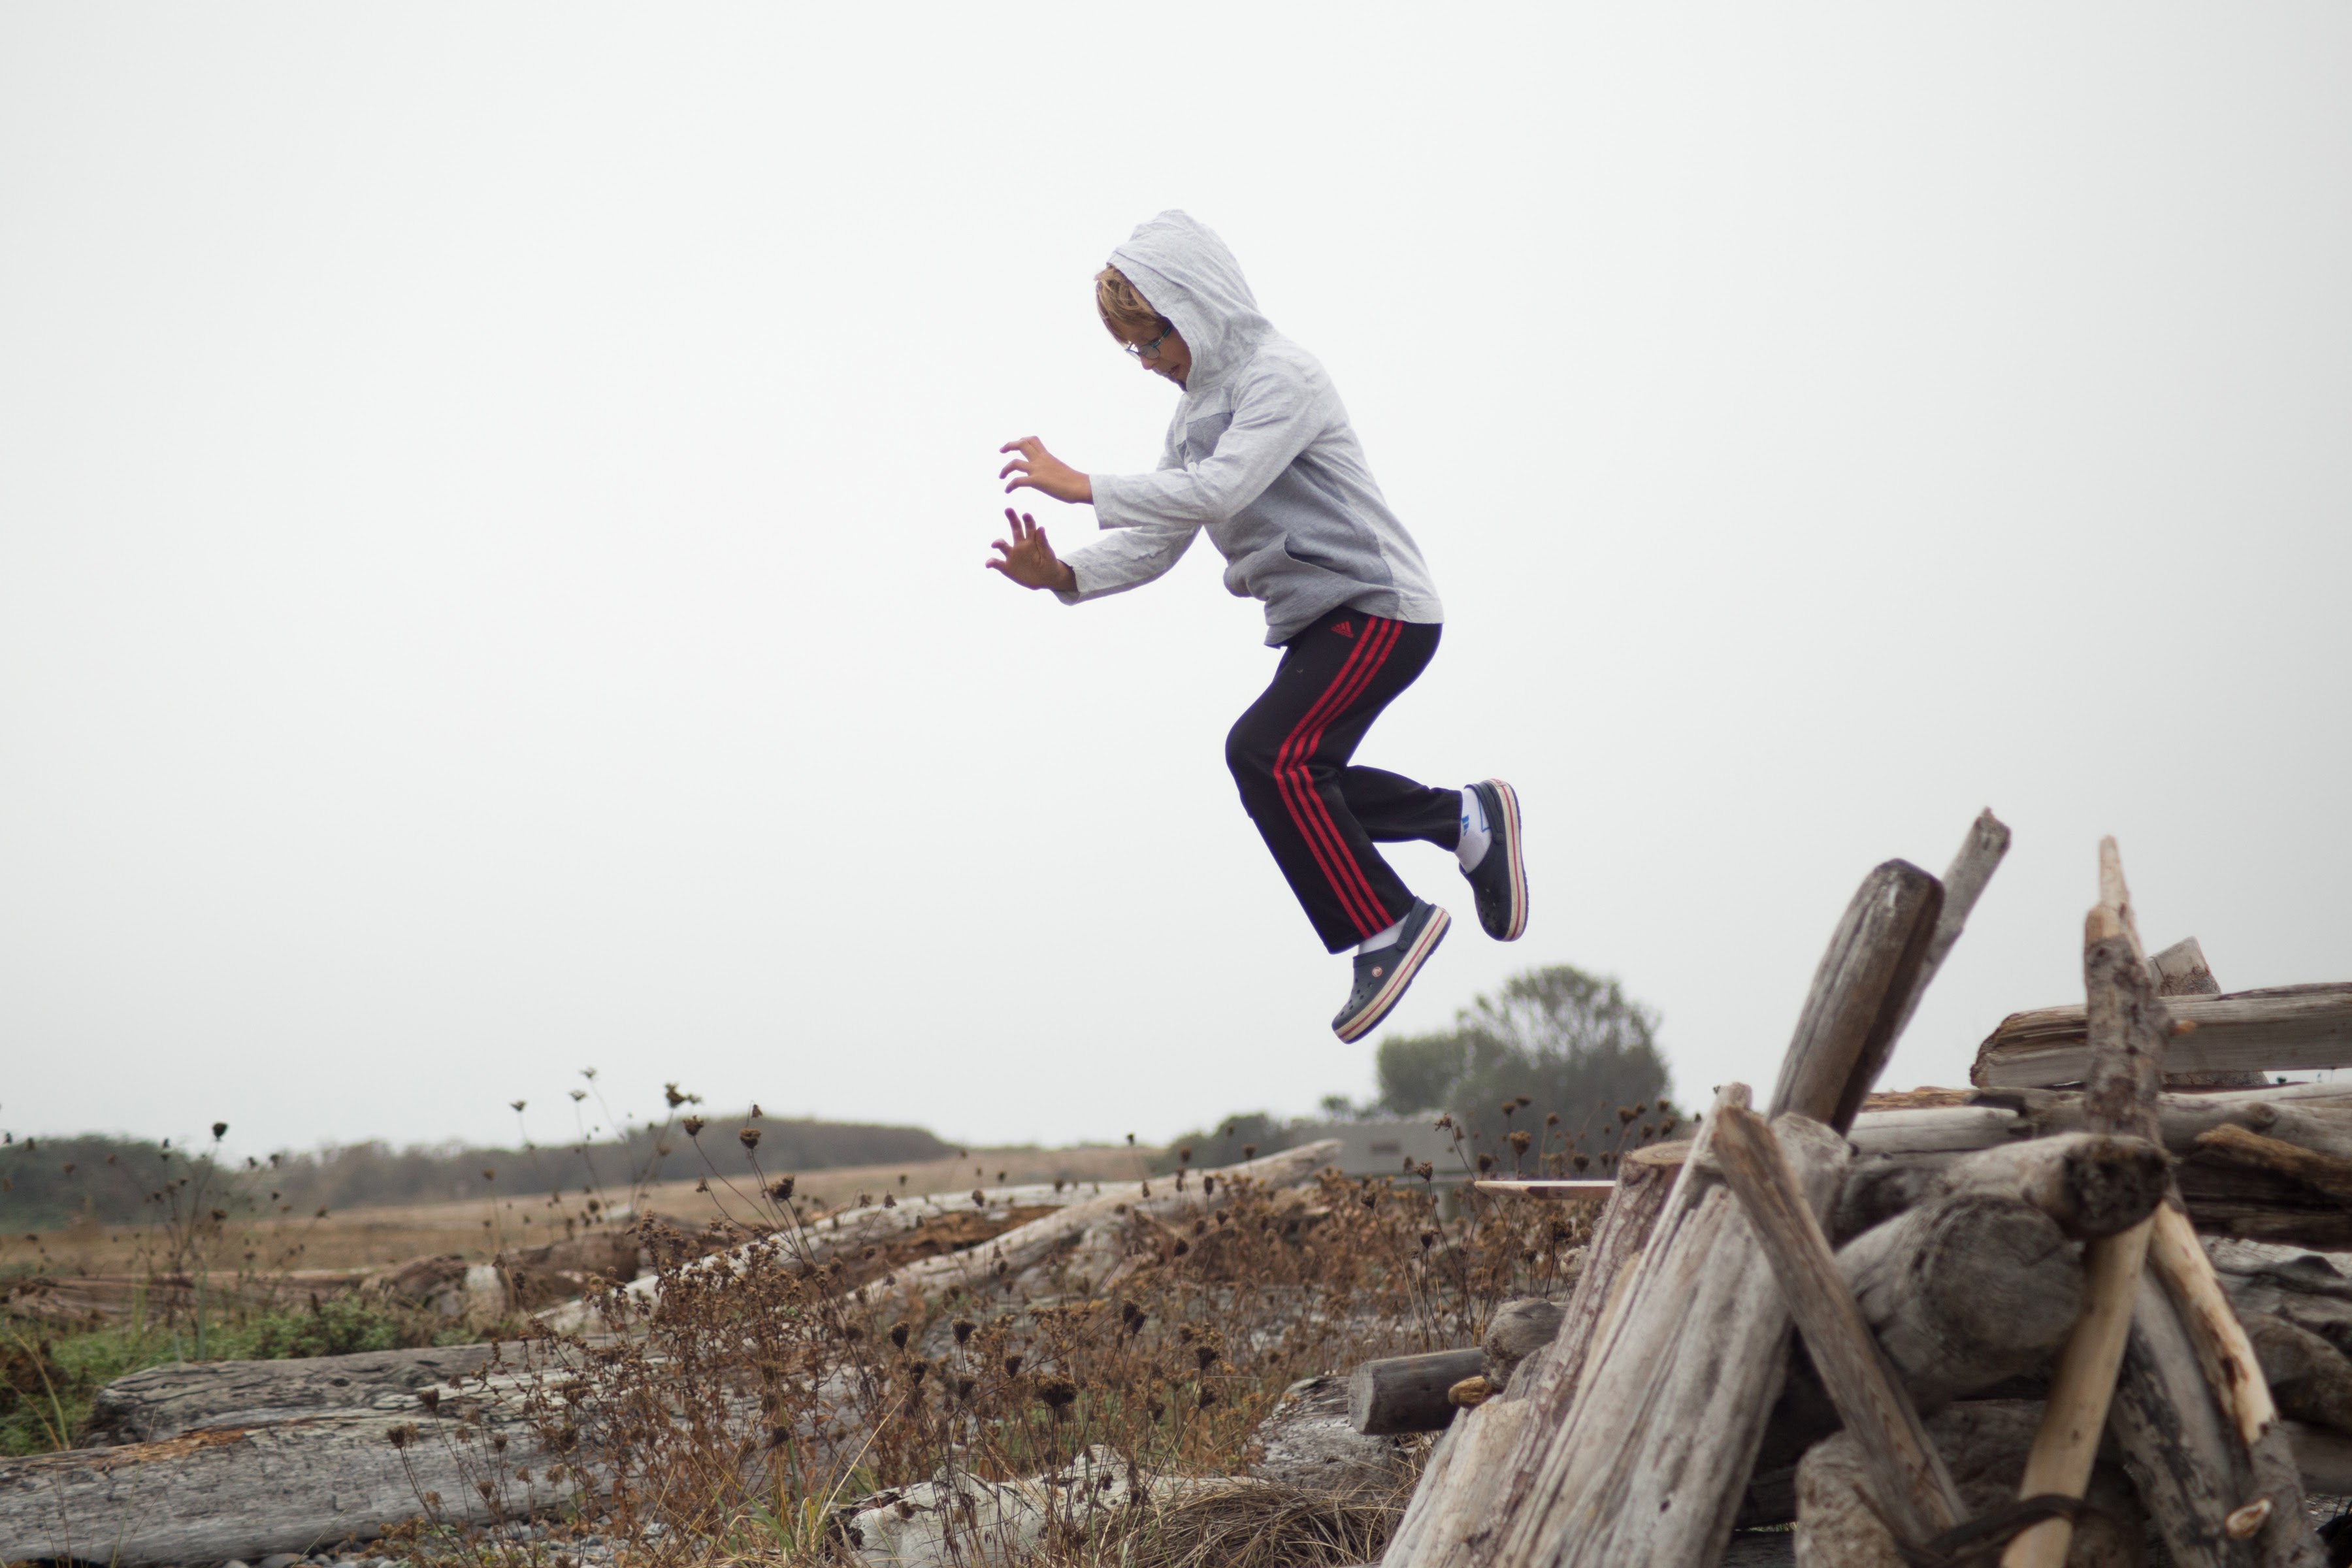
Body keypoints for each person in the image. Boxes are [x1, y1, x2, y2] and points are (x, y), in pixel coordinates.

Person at [985, 210, 1526, 1043]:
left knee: (1264, 754)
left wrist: (1085, 484)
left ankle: (1389, 925)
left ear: (1196, 306)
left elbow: (1221, 490)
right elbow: (1160, 540)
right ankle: (1464, 819)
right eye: (1133, 350)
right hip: (1320, 624)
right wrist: (1062, 574)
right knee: (1297, 782)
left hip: (1378, 606)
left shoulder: (1281, 377)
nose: (1149, 361)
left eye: (1153, 338)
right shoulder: (1189, 421)